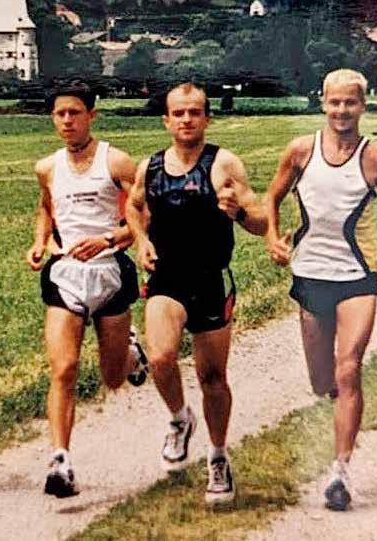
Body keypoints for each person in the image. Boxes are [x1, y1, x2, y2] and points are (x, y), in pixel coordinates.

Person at [265, 69, 377, 511]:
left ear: (363, 106)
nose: (342, 110)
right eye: (334, 102)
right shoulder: (300, 151)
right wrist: (272, 237)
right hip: (311, 274)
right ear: (322, 103)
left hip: (357, 277)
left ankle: (340, 470)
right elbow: (272, 196)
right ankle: (340, 405)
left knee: (349, 368)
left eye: (350, 102)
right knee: (322, 381)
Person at [125, 82, 268, 505]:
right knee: (160, 357)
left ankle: (218, 456)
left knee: (212, 379)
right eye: (179, 113)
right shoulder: (150, 167)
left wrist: (238, 212)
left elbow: (261, 222)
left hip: (210, 280)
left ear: (207, 118)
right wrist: (140, 240)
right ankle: (179, 418)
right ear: (166, 120)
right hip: (166, 278)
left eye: (194, 112)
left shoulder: (223, 164)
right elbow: (133, 205)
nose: (186, 119)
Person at [26, 83, 148, 499]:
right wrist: (39, 241)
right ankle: (60, 461)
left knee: (112, 378)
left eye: (75, 113)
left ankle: (131, 354)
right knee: (63, 369)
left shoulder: (116, 161)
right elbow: (46, 207)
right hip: (65, 275)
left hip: (110, 273)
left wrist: (109, 240)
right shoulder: (47, 167)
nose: (67, 121)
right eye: (60, 114)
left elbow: (142, 217)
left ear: (91, 115)